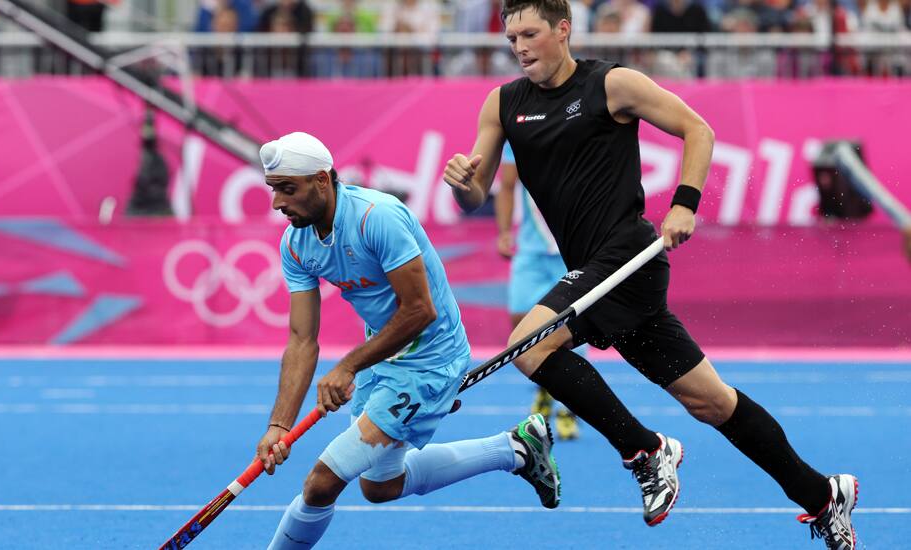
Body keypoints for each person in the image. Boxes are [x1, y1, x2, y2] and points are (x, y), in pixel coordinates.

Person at [442, 2, 858, 548]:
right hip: (592, 271)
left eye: (530, 33)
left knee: (528, 346)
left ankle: (645, 450)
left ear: (562, 30)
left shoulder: (611, 84)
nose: (518, 47)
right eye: (510, 36)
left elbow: (698, 129)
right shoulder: (502, 104)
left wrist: (684, 203)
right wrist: (460, 183)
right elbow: (477, 190)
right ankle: (823, 495)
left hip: (627, 257)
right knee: (710, 402)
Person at [255, 132, 561, 549]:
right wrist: (279, 426)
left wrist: (348, 366)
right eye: (274, 190)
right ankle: (516, 448)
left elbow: (420, 309)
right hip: (381, 356)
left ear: (323, 180)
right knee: (380, 486)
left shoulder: (377, 216)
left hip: (432, 358)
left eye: (288, 189)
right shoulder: (296, 243)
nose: (277, 203)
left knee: (321, 484)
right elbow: (301, 339)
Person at [496, 141, 579, 440]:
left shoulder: (578, 129)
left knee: (569, 330)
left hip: (570, 250)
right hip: (530, 251)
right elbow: (506, 186)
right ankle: (548, 385)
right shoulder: (517, 138)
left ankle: (568, 404)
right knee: (520, 327)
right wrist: (505, 231)